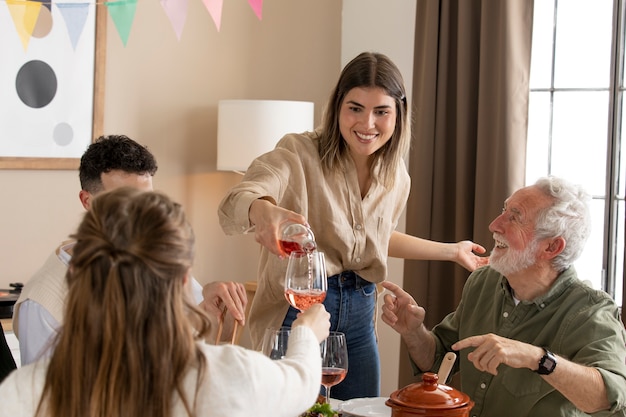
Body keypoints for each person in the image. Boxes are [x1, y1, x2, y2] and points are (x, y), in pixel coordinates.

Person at [218, 51, 488, 400]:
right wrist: (263, 209)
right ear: (338, 107)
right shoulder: (299, 152)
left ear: (399, 113)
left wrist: (452, 251)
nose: (367, 124)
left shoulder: (395, 175)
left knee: (363, 410)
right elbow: (241, 196)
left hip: (360, 316)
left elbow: (374, 239)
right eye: (355, 108)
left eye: (381, 111)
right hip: (302, 311)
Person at [0, 187, 331, 417]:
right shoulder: (229, 375)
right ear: (185, 279)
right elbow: (299, 381)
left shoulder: (25, 392)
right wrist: (305, 333)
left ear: (76, 272)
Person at [381, 176, 626, 416]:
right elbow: (438, 359)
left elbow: (610, 397)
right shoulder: (483, 281)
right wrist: (413, 331)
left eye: (515, 218)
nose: (494, 225)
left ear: (551, 247)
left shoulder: (591, 310)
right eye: (504, 210)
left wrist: (537, 358)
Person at [13, 135, 247, 365]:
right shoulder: (44, 302)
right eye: (124, 202)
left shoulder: (159, 258)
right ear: (87, 201)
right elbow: (43, 398)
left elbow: (200, 340)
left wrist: (215, 310)